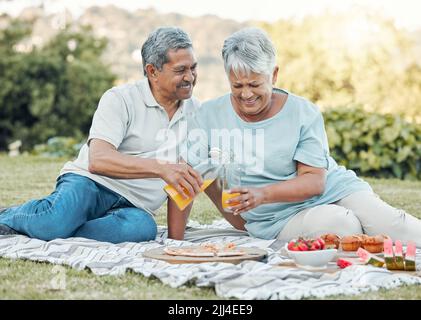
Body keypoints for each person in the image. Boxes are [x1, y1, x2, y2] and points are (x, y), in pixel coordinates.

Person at [187, 27, 421, 246]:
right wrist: (179, 238)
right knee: (342, 224)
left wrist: (262, 194)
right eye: (237, 85)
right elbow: (193, 176)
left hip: (335, 189)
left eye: (254, 84)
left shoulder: (302, 112)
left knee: (395, 225)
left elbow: (314, 181)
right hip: (278, 219)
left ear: (274, 75)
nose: (246, 94)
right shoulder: (209, 116)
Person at [0, 27, 203, 243]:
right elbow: (99, 160)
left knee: (142, 230)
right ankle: (14, 216)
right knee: (54, 223)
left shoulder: (198, 114)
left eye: (193, 68)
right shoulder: (120, 99)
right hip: (89, 183)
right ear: (152, 71)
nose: (190, 77)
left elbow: (185, 181)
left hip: (134, 206)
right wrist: (160, 168)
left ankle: (59, 226)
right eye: (181, 70)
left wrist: (175, 241)